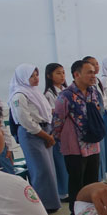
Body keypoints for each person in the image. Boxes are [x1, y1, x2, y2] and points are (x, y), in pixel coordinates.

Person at [52, 60, 103, 215]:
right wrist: (58, 138)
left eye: (94, 72)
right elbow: (57, 121)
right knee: (76, 182)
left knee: (92, 181)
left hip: (92, 144)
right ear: (76, 74)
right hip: (74, 146)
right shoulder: (65, 96)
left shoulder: (93, 92)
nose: (93, 75)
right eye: (89, 72)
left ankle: (91, 214)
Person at [9, 64, 61, 212]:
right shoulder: (19, 95)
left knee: (49, 170)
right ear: (23, 77)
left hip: (45, 131)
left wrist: (50, 134)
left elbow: (47, 113)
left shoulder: (35, 92)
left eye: (37, 75)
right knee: (40, 170)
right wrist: (46, 136)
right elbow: (25, 121)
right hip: (32, 134)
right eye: (31, 76)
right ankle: (42, 205)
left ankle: (52, 203)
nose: (36, 78)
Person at [42, 63, 69, 198]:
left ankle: (69, 188)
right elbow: (54, 112)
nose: (62, 76)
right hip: (58, 130)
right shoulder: (49, 94)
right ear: (49, 76)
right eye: (58, 73)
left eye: (63, 72)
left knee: (68, 160)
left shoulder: (66, 90)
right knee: (60, 161)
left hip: (68, 129)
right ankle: (63, 191)